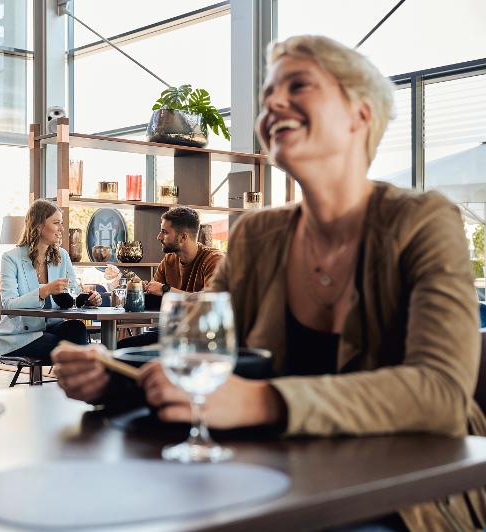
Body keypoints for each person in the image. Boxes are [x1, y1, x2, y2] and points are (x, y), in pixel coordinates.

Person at [53, 35, 486, 530]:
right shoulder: (257, 235)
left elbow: (441, 393)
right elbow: (197, 346)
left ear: (360, 116)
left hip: (408, 493)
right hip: (271, 479)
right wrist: (112, 375)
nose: (273, 104)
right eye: (267, 97)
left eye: (298, 85)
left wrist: (264, 401)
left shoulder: (424, 222)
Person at [0, 199, 100, 363]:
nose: (61, 229)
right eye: (56, 223)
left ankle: (80, 382)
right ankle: (81, 382)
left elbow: (73, 294)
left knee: (77, 329)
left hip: (50, 328)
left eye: (61, 223)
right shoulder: (11, 258)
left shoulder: (62, 255)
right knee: (64, 347)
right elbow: (8, 304)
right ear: (38, 226)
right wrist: (45, 291)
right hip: (19, 336)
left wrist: (88, 299)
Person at [117, 206, 222, 348]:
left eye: (164, 232)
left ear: (183, 237)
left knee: (124, 349)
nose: (159, 237)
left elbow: (211, 302)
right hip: (174, 330)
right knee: (121, 347)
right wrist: (143, 291)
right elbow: (155, 293)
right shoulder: (169, 260)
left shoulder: (214, 260)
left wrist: (166, 289)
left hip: (206, 336)